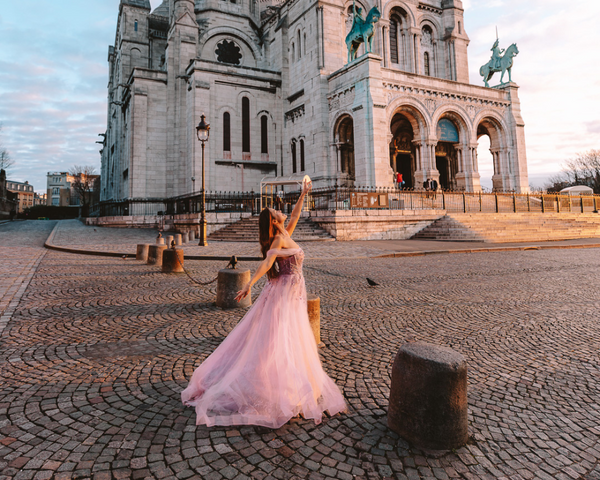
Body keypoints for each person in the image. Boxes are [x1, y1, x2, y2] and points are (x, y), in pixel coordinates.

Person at [181, 179, 346, 428]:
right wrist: (250, 284)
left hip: (292, 293)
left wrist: (303, 194)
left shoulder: (285, 233)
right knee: (279, 338)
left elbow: (296, 214)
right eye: (275, 212)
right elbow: (268, 264)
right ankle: (274, 386)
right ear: (272, 221)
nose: (279, 210)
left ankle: (288, 382)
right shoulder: (278, 241)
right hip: (284, 293)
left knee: (290, 339)